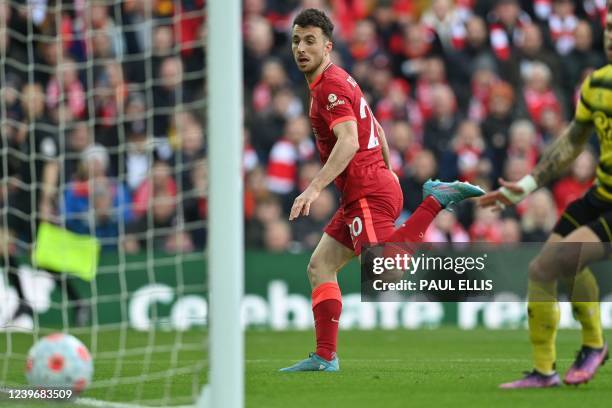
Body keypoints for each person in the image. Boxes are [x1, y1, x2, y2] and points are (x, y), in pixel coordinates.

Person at [279, 8, 484, 372]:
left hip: (367, 191)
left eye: (310, 41)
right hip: (369, 186)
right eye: (296, 40)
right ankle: (325, 357)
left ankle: (436, 201)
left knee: (386, 272)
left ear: (327, 46)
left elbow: (349, 143)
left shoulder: (329, 88)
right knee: (320, 266)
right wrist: (387, 171)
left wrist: (313, 189)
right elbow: (375, 127)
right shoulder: (340, 79)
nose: (301, 48)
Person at [478, 3, 612, 388]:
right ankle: (545, 371)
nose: (610, 37)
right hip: (601, 195)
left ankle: (592, 345)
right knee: (540, 270)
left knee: (566, 257)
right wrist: (528, 184)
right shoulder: (597, 84)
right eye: (608, 28)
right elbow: (573, 138)